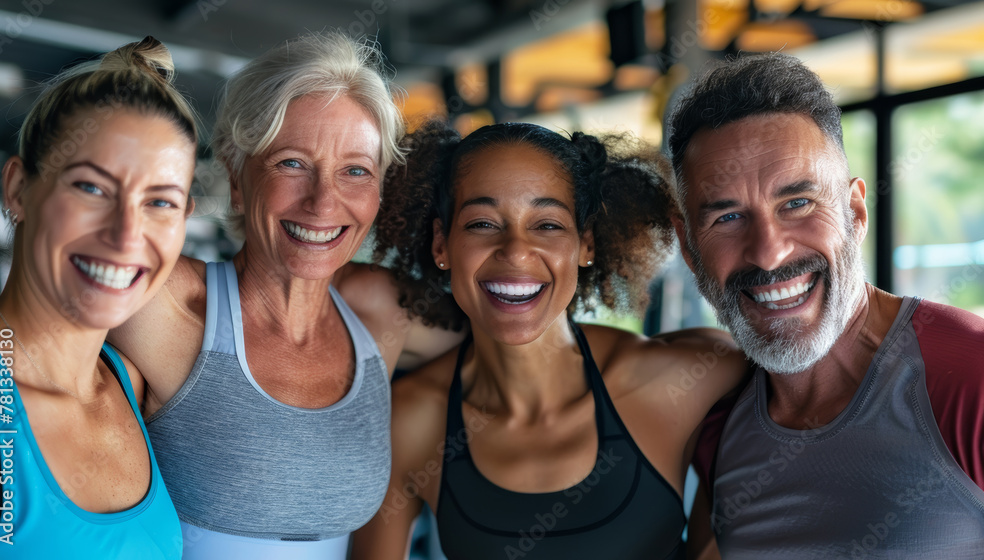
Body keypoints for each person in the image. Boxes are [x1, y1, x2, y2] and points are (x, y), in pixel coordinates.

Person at [107, 31, 462, 559]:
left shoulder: (377, 308)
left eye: (356, 171)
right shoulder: (168, 302)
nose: (323, 203)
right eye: (291, 163)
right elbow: (48, 274)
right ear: (234, 175)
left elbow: (519, 336)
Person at [351, 121, 748, 560]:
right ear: (442, 245)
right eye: (482, 223)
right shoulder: (410, 420)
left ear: (585, 243)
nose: (516, 251)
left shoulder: (694, 375)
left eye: (547, 224)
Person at [667, 52, 984, 559]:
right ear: (688, 247)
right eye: (727, 217)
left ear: (855, 212)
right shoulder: (717, 423)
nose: (769, 252)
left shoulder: (972, 376)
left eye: (797, 203)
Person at [0, 37, 198, 557]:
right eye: (92, 188)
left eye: (160, 202)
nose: (127, 235)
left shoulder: (133, 382)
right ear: (18, 190)